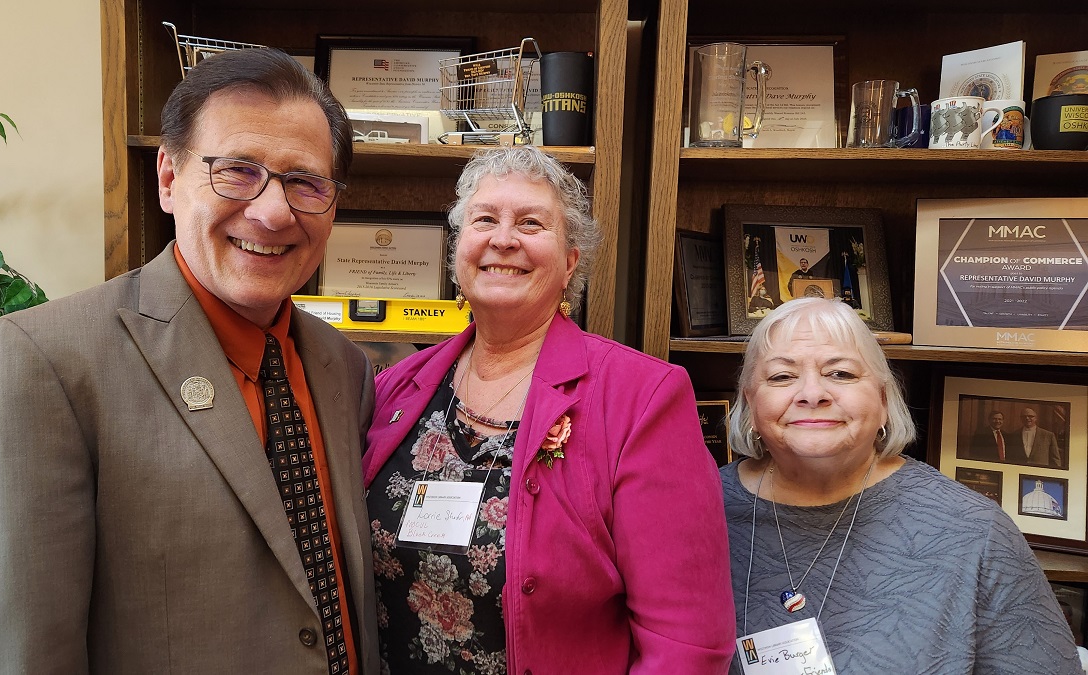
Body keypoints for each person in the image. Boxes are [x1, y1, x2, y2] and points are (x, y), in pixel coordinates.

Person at [0, 49, 378, 673]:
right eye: (237, 171)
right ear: (168, 178)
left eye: (305, 182)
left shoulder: (344, 369)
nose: (273, 212)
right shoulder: (43, 364)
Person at [362, 146, 734, 673]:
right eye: (484, 219)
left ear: (570, 262)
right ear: (457, 250)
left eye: (532, 223)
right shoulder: (394, 388)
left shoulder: (641, 397)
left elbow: (687, 643)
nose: (503, 239)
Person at [723, 297, 1081, 674]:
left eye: (841, 374)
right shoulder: (694, 510)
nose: (813, 394)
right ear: (750, 402)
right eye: (782, 376)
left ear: (882, 401)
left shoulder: (972, 528)